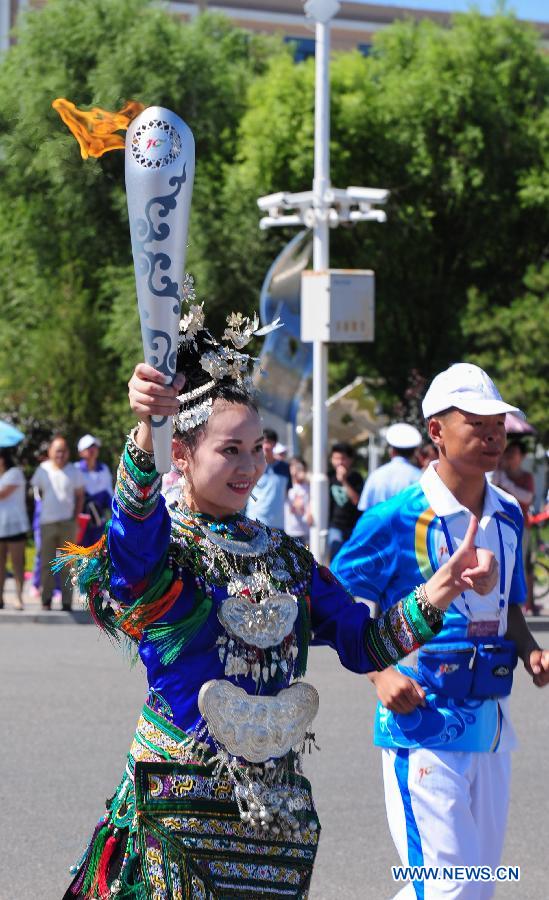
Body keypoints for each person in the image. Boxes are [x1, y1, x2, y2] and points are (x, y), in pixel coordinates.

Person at [58, 309, 496, 900]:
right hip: (179, 810)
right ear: (182, 455)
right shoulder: (171, 555)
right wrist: (146, 430)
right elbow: (131, 539)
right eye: (230, 450)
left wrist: (439, 589)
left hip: (273, 817)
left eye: (257, 448)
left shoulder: (288, 560)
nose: (250, 466)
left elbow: (365, 645)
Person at [332, 362, 549, 900]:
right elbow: (336, 603)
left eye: (498, 423)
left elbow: (510, 609)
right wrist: (379, 674)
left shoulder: (507, 515)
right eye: (476, 423)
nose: (493, 435)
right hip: (420, 720)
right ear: (436, 431)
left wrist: (531, 651)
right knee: (447, 887)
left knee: (473, 886)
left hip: (489, 724)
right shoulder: (396, 516)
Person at [31, 435, 84, 610]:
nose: (60, 454)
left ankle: (66, 601)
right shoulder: (42, 469)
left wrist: (75, 517)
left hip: (67, 523)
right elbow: (35, 492)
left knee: (68, 564)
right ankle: (46, 599)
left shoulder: (73, 471)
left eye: (63, 451)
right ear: (50, 452)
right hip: (47, 522)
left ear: (67, 453)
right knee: (46, 562)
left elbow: (80, 495)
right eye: (57, 451)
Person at [491, 441, 537, 614]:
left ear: (522, 457)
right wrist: (498, 473)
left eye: (514, 453)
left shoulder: (526, 477)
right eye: (507, 453)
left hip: (521, 526)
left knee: (521, 564)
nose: (510, 457)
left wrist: (507, 482)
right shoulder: (499, 474)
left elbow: (527, 497)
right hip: (500, 525)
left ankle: (522, 602)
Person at [358, 423, 422, 512]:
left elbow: (364, 508)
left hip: (377, 525)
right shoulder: (420, 477)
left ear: (392, 451)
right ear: (414, 452)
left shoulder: (376, 475)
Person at [0, 447, 30, 610]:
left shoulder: (14, 473)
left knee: (17, 564)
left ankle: (19, 598)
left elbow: (3, 493)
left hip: (15, 526)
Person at [246, 427, 291, 529]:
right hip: (253, 520)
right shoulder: (252, 465)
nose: (266, 446)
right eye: (264, 442)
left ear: (275, 444)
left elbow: (287, 493)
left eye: (269, 442)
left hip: (277, 524)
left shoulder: (285, 468)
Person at [76, 434, 113, 546]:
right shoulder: (75, 469)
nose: (92, 449)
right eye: (89, 447)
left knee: (99, 553)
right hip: (81, 521)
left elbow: (109, 494)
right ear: (81, 452)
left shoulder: (104, 469)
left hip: (100, 521)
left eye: (95, 446)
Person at [328, 442, 363, 560]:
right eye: (336, 458)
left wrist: (344, 481)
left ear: (350, 460)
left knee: (351, 559)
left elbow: (357, 501)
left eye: (342, 458)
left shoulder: (356, 477)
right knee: (335, 554)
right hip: (335, 526)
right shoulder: (329, 476)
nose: (339, 462)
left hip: (352, 526)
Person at [284, 456, 313, 544]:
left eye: (299, 467)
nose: (296, 470)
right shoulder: (287, 486)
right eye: (294, 467)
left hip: (305, 532)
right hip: (289, 531)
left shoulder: (309, 486)